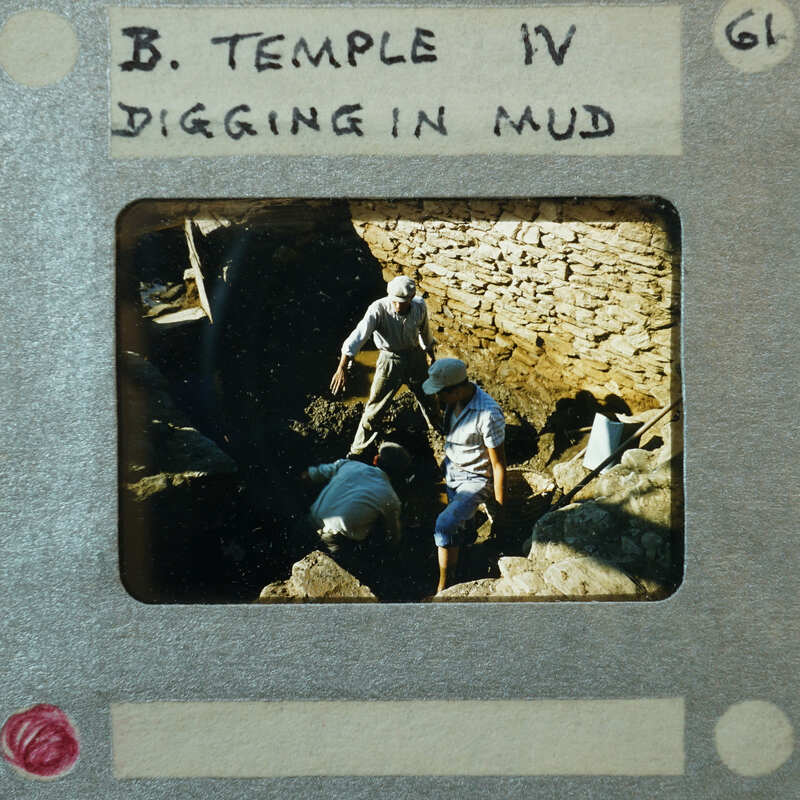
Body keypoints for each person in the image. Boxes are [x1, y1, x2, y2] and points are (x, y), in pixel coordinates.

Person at [421, 358, 506, 593]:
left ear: (456, 390)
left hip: (476, 478)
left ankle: (444, 585)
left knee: (445, 525)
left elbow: (499, 465)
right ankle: (462, 552)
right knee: (462, 528)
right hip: (453, 469)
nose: (437, 398)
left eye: (440, 393)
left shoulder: (488, 414)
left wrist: (500, 512)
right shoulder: (454, 401)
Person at [330, 275, 439, 456]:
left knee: (429, 397)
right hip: (390, 360)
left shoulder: (419, 306)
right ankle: (357, 450)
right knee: (375, 407)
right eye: (394, 301)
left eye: (402, 302)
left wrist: (430, 355)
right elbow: (358, 336)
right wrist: (342, 367)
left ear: (411, 298)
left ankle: (438, 432)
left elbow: (425, 332)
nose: (397, 306)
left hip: (415, 357)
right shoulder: (378, 309)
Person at [300, 442, 412, 555]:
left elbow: (310, 475)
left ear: (376, 459)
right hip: (333, 543)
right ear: (399, 474)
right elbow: (393, 537)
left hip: (308, 524)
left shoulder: (347, 465)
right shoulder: (391, 498)